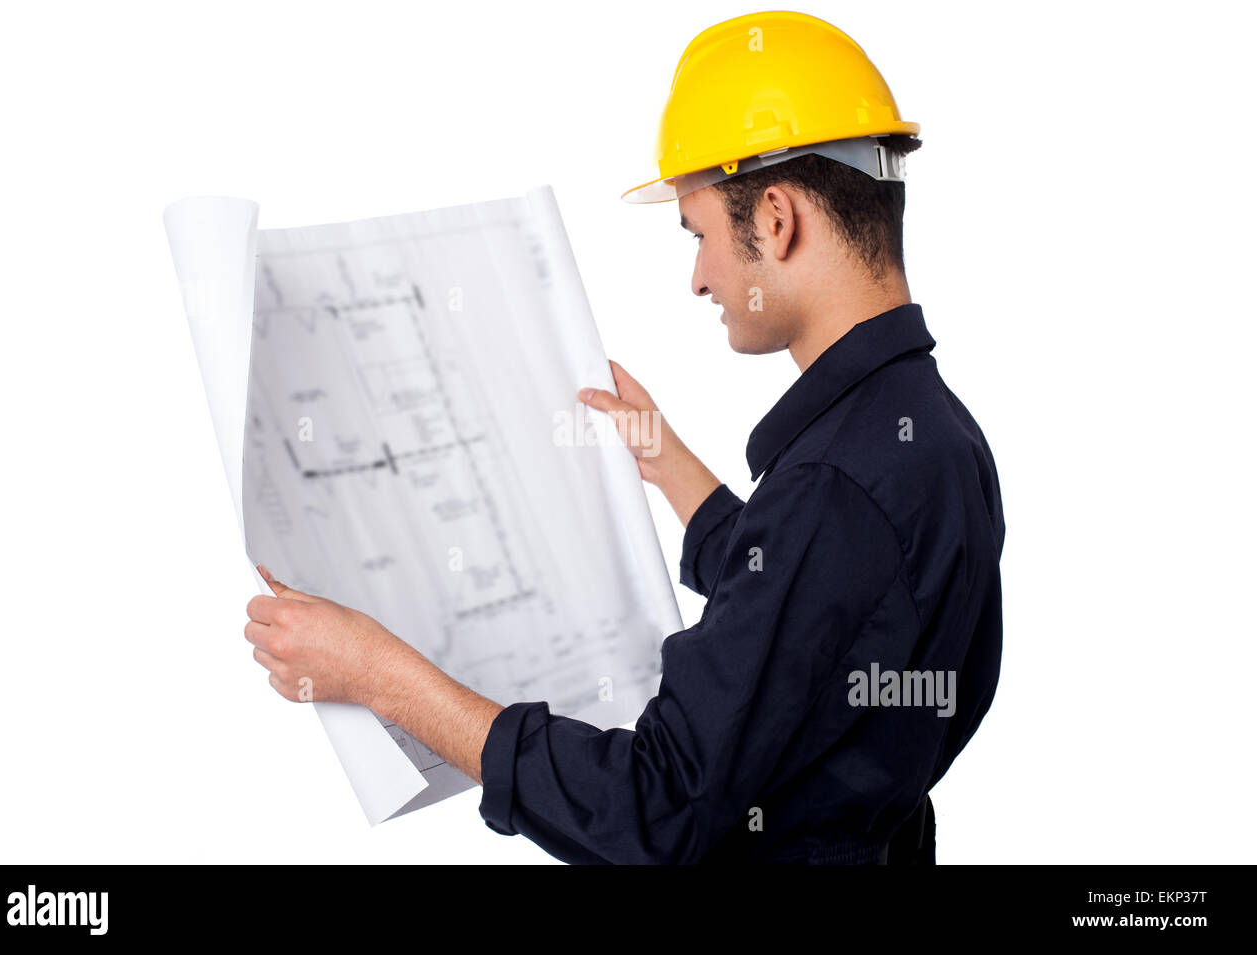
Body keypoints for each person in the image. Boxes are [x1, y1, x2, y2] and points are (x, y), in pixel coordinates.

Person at [244, 10, 1004, 865]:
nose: (698, 277)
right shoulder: (938, 439)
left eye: (701, 234)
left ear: (779, 218)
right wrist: (673, 468)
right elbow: (816, 624)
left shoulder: (835, 490)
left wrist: (382, 675)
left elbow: (656, 803)